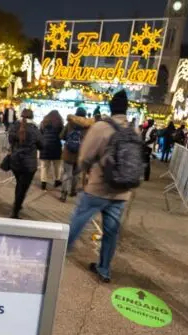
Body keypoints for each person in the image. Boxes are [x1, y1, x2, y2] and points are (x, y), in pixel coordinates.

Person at [67, 90, 142, 282]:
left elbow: (85, 156)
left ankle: (61, 253)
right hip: (122, 191)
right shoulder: (134, 130)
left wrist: (79, 171)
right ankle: (104, 269)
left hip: (99, 188)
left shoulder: (101, 127)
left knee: (78, 221)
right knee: (111, 231)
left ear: (111, 108)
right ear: (126, 109)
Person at [8, 109, 43, 219]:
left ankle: (17, 204)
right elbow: (41, 144)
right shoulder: (34, 129)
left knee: (19, 184)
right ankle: (15, 211)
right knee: (23, 188)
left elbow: (10, 140)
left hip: (16, 162)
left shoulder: (14, 126)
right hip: (29, 164)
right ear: (32, 117)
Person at [60, 107, 94, 202]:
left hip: (68, 153)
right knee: (76, 174)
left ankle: (63, 194)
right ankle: (73, 191)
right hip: (81, 154)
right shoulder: (88, 126)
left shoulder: (70, 123)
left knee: (67, 174)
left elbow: (62, 136)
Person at [39, 110, 64, 191]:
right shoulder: (60, 123)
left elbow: (41, 133)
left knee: (44, 166)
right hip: (56, 146)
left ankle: (43, 183)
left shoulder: (44, 122)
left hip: (45, 146)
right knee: (57, 165)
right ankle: (57, 180)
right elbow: (62, 135)